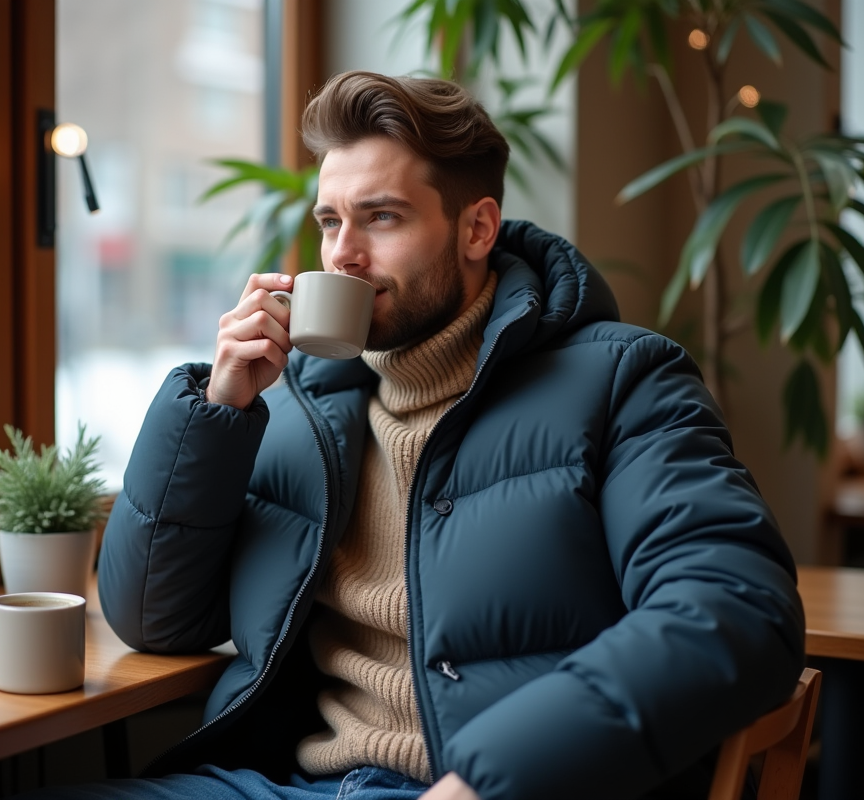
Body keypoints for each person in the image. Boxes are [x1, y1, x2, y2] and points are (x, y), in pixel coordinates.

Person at [55, 71, 805, 800]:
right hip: (288, 781)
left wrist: (495, 776)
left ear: (476, 228)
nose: (343, 253)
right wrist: (216, 411)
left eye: (380, 217)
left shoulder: (625, 383)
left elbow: (734, 610)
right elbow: (154, 618)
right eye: (329, 221)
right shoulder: (298, 409)